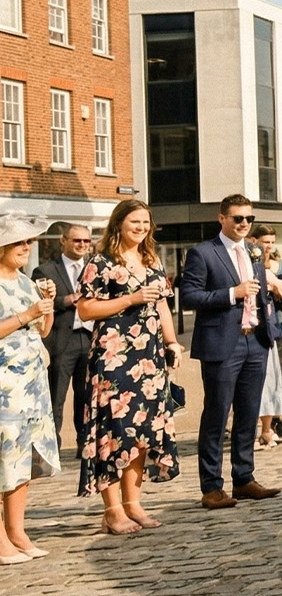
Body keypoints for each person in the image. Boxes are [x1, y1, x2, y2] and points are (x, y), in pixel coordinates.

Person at [74, 199, 182, 532]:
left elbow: (162, 305)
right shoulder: (100, 262)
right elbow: (85, 310)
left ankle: (133, 503)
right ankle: (113, 510)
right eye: (135, 222)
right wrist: (130, 300)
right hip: (113, 357)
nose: (140, 228)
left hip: (148, 358)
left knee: (142, 431)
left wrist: (172, 341)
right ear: (119, 223)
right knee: (113, 431)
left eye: (146, 223)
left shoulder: (151, 261)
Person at [178, 194, 281, 510]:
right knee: (217, 414)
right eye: (238, 218)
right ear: (221, 218)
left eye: (248, 218)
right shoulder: (203, 253)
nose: (244, 224)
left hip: (255, 339)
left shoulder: (252, 250)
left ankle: (244, 477)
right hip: (223, 342)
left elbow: (261, 290)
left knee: (249, 412)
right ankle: (211, 487)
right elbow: (190, 297)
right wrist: (230, 294)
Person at [0, 213, 59, 562]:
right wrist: (26, 314)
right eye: (19, 242)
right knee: (3, 457)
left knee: (23, 458)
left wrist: (45, 308)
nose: (26, 247)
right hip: (4, 383)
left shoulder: (25, 282)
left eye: (29, 242)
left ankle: (17, 531)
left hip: (31, 381)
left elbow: (43, 331)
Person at [31, 220, 94, 452]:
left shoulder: (94, 267)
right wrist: (65, 301)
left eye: (86, 241)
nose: (82, 245)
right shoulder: (45, 271)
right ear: (63, 241)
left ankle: (83, 443)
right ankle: (52, 446)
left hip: (89, 339)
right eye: (77, 240)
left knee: (86, 396)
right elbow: (37, 302)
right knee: (56, 397)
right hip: (61, 341)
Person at [249, 225, 282, 449]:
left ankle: (267, 430)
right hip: (249, 328)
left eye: (272, 242)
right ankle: (252, 431)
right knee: (253, 383)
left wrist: (276, 287)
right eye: (265, 242)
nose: (268, 246)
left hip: (269, 327)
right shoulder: (247, 265)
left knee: (271, 380)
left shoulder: (272, 268)